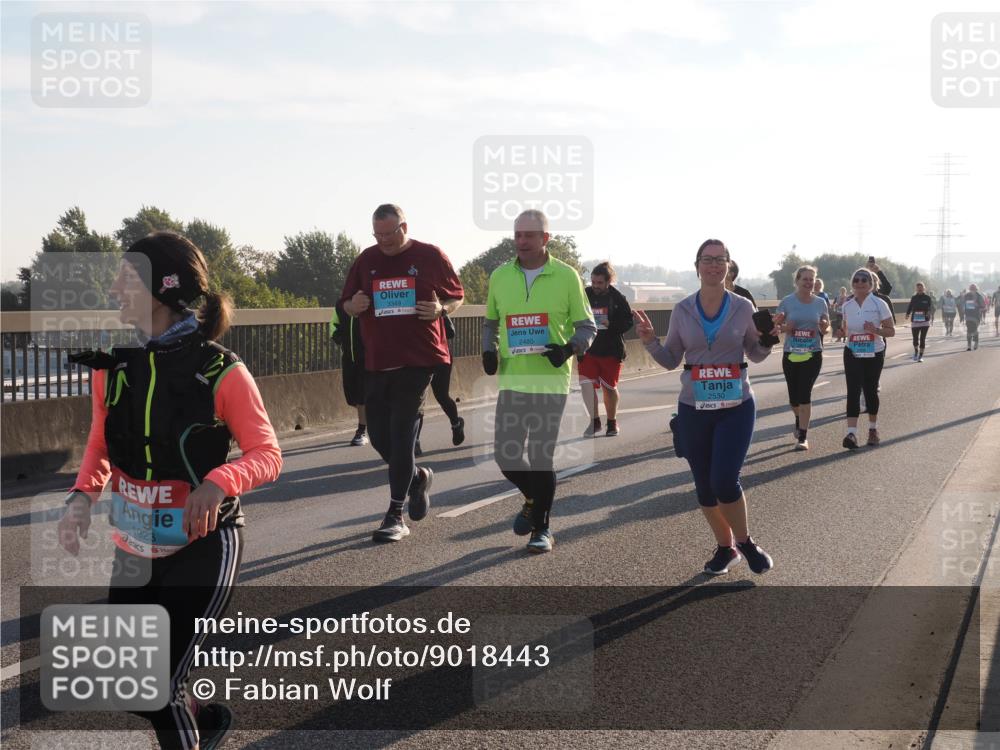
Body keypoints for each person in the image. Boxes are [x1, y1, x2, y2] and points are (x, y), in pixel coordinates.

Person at [57, 232, 283, 750]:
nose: (114, 288)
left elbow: (267, 454)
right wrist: (81, 498)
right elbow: (100, 443)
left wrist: (218, 482)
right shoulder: (113, 367)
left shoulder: (221, 370)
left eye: (126, 276)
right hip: (136, 547)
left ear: (159, 291)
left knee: (159, 688)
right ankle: (204, 721)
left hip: (204, 543)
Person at [634, 239, 777, 576]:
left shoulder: (743, 306)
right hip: (693, 408)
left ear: (728, 266)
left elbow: (755, 354)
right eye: (707, 259)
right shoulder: (682, 309)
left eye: (720, 259)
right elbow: (671, 360)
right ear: (697, 266)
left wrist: (770, 339)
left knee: (725, 480)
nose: (714, 265)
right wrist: (649, 341)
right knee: (704, 486)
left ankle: (745, 542)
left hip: (736, 404)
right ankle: (725, 549)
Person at [340, 204, 464, 542]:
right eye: (377, 235)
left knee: (403, 434)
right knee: (380, 438)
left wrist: (440, 308)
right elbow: (345, 303)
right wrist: (355, 306)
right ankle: (417, 479)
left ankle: (395, 514)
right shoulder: (366, 259)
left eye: (389, 234)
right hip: (377, 362)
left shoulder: (430, 255)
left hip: (419, 360)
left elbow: (456, 297)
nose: (383, 241)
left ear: (404, 227)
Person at [482, 209, 596, 553]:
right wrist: (488, 350)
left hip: (550, 382)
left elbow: (587, 326)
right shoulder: (501, 275)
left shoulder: (566, 276)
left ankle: (542, 529)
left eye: (529, 235)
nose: (521, 241)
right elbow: (490, 323)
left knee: (540, 456)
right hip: (514, 381)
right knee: (507, 456)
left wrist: (568, 349)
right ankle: (533, 499)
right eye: (517, 235)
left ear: (545, 238)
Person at [773, 265, 830, 450]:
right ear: (797, 281)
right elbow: (775, 327)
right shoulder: (787, 302)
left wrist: (824, 327)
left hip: (812, 353)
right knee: (793, 397)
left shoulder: (820, 302)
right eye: (805, 279)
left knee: (804, 392)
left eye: (811, 279)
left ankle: (803, 437)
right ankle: (798, 418)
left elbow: (826, 326)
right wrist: (782, 327)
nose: (808, 282)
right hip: (791, 353)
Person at [838, 267, 895, 449]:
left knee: (870, 390)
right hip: (853, 351)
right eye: (856, 280)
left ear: (871, 284)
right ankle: (851, 434)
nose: (860, 283)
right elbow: (845, 329)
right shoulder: (847, 305)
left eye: (864, 280)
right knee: (853, 391)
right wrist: (840, 332)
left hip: (874, 352)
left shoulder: (879, 304)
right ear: (852, 284)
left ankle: (873, 429)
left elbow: (891, 331)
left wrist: (875, 330)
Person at [579, 261, 634, 437]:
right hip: (588, 348)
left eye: (599, 283)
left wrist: (611, 324)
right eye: (593, 282)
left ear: (608, 282)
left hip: (610, 349)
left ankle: (612, 423)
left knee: (609, 387)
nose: (595, 286)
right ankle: (594, 422)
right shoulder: (584, 294)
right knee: (586, 385)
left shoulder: (618, 298)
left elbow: (628, 322)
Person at [414, 314, 466, 454]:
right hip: (418, 359)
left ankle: (456, 424)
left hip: (440, 357)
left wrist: (440, 312)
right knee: (418, 399)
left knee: (442, 396)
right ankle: (415, 442)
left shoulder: (434, 305)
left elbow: (451, 332)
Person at [330, 300, 368, 445]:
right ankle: (368, 422)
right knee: (351, 396)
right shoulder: (341, 305)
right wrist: (338, 338)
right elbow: (333, 325)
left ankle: (361, 430)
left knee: (361, 395)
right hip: (348, 358)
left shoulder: (368, 302)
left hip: (369, 358)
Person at [905, 282, 934, 362]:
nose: (920, 289)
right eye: (918, 288)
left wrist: (929, 312)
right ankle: (916, 352)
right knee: (915, 339)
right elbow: (910, 306)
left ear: (924, 288)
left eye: (921, 288)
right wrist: (907, 314)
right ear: (916, 289)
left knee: (922, 339)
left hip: (925, 321)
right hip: (915, 320)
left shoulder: (927, 298)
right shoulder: (914, 298)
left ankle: (920, 356)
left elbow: (931, 307)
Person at [958, 283, 987, 351]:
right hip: (968, 315)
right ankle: (969, 345)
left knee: (974, 329)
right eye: (971, 289)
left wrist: (979, 307)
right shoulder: (966, 296)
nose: (972, 290)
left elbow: (984, 307)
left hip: (976, 315)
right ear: (969, 289)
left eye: (974, 289)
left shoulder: (979, 296)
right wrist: (962, 309)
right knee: (969, 329)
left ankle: (976, 342)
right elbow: (962, 303)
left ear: (976, 289)